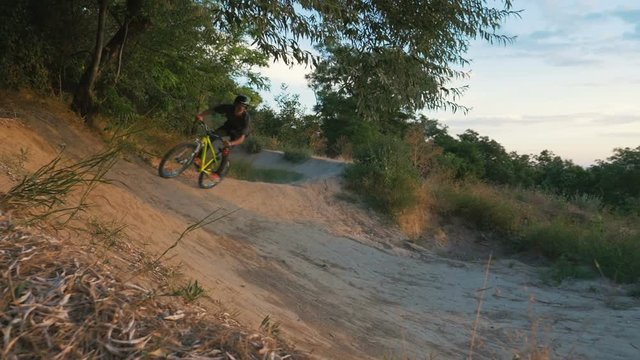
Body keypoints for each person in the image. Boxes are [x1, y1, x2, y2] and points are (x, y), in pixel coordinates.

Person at [195, 94, 251, 181]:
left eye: (244, 106)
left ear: (246, 108)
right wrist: (201, 115)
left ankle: (218, 174)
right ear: (235, 104)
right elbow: (212, 110)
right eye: (239, 105)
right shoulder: (228, 108)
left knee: (226, 149)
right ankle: (199, 157)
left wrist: (230, 143)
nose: (240, 108)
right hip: (227, 127)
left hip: (238, 135)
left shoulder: (246, 119)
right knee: (211, 136)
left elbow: (242, 138)